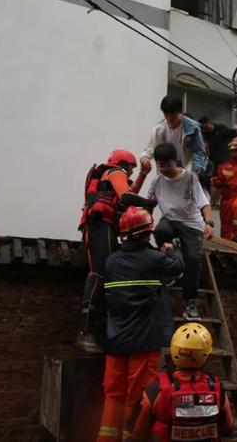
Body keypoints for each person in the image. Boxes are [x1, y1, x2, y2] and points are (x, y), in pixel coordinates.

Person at [97, 207, 184, 442]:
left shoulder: (112, 261)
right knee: (139, 398)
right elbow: (177, 267)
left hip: (115, 342)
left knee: (113, 395)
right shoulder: (155, 259)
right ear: (148, 231)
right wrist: (171, 249)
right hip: (143, 343)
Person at [77, 149, 156, 353]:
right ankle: (86, 332)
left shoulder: (108, 175)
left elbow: (126, 195)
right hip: (100, 225)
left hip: (102, 225)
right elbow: (127, 197)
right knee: (100, 273)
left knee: (105, 274)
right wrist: (150, 204)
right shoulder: (115, 172)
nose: (131, 173)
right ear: (125, 164)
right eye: (132, 169)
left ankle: (97, 332)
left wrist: (143, 175)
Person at [125, 323, 234, 442]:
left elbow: (138, 434)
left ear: (174, 351)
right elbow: (227, 429)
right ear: (206, 356)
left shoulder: (157, 389)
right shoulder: (217, 389)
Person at [149, 143, 214, 320]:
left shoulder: (189, 179)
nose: (163, 168)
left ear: (174, 162)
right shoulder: (157, 181)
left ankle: (191, 303)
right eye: (159, 164)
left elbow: (204, 203)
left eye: (166, 164)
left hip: (191, 224)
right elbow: (149, 204)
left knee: (193, 260)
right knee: (160, 231)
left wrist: (209, 223)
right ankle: (172, 256)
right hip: (170, 221)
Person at [140, 95, 208, 176]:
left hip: (187, 169)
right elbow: (151, 147)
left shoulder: (192, 128)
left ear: (180, 112)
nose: (169, 118)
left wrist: (196, 171)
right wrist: (145, 158)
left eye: (172, 115)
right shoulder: (158, 129)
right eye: (165, 114)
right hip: (166, 169)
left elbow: (198, 151)